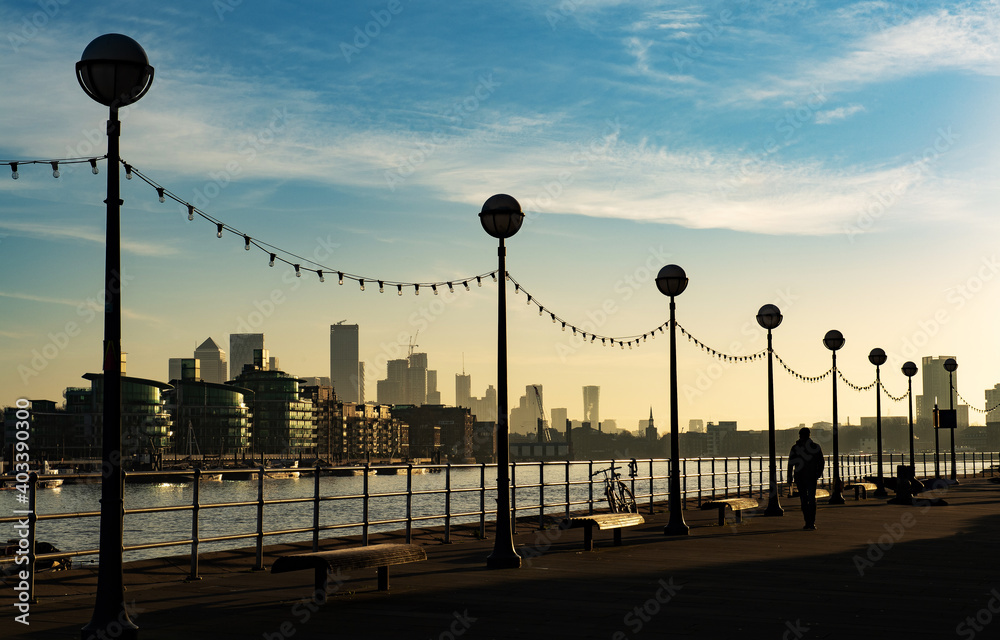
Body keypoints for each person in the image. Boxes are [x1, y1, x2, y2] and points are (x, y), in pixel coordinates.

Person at [787, 427, 824, 530]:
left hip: (801, 477)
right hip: (811, 477)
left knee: (804, 500)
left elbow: (790, 463)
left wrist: (789, 477)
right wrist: (818, 474)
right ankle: (811, 522)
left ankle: (808, 522)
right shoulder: (815, 447)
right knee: (811, 500)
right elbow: (821, 462)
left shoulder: (795, 448)